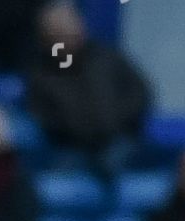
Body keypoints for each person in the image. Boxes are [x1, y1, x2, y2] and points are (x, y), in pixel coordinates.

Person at [26, 1, 150, 171]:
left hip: (120, 142)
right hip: (71, 149)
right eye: (57, 34)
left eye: (69, 28)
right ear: (46, 38)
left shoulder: (109, 58)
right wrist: (84, 131)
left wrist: (115, 122)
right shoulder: (40, 75)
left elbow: (140, 93)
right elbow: (46, 119)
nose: (66, 36)